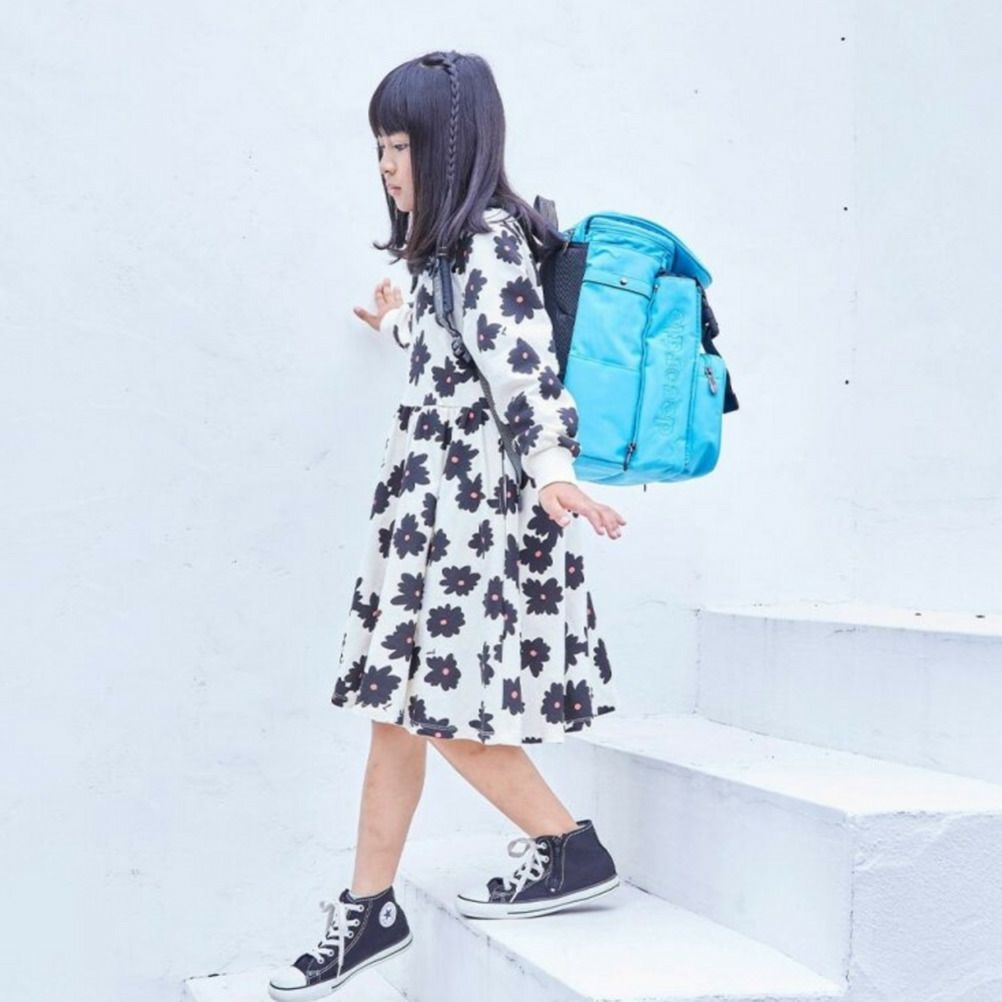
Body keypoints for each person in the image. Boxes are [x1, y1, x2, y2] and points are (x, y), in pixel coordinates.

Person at [268, 49, 627, 1002]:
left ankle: (567, 846)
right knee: (395, 712)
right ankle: (369, 910)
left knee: (435, 709)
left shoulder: (490, 244)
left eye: (402, 145)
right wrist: (392, 321)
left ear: (453, 145)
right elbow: (453, 355)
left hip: (471, 526)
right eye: (380, 148)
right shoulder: (445, 256)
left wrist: (556, 474)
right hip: (428, 521)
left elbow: (523, 370)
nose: (388, 166)